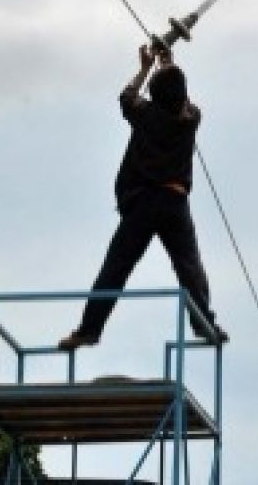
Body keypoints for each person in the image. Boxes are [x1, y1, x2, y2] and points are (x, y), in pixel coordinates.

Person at [59, 44, 226, 350]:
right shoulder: (190, 119)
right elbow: (183, 99)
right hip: (174, 202)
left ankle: (89, 329)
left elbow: (126, 95)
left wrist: (147, 66)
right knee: (189, 267)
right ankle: (204, 323)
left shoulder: (145, 114)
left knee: (116, 267)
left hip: (143, 203)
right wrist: (169, 64)